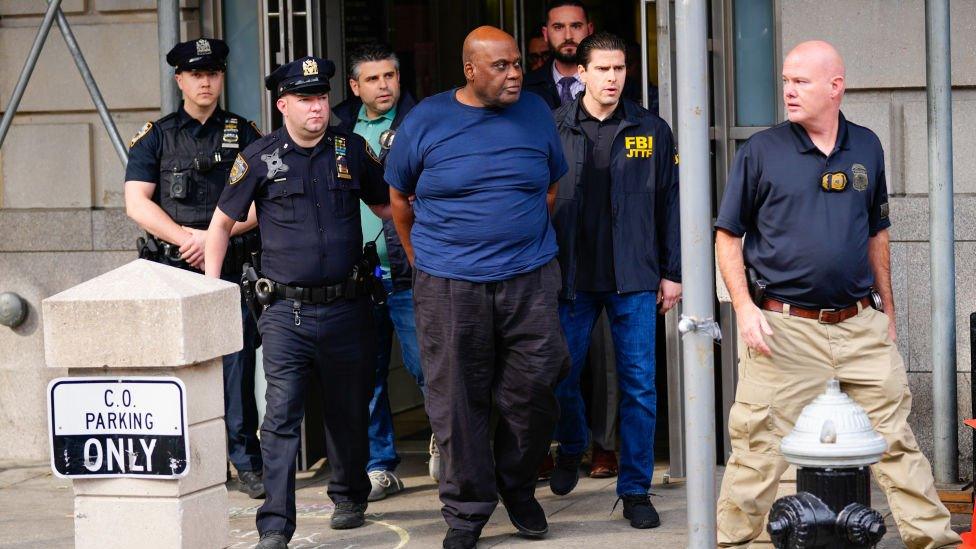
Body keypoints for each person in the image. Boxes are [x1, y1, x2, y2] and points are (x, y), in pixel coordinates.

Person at [714, 40, 960, 549]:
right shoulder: (761, 151)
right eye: (785, 80)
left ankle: (933, 540)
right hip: (782, 327)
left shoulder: (867, 146)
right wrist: (742, 308)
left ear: (835, 86)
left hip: (859, 324)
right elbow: (727, 235)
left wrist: (887, 311)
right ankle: (734, 541)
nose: (788, 91)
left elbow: (877, 232)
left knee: (896, 439)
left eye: (800, 81)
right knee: (757, 446)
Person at [385, 26, 571, 549]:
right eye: (501, 66)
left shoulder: (535, 112)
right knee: (456, 401)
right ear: (470, 69)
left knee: (536, 387)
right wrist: (428, 262)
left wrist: (519, 236)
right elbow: (400, 201)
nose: (515, 74)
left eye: (516, 63)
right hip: (449, 285)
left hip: (530, 279)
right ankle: (466, 511)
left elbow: (550, 187)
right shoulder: (425, 120)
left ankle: (517, 485)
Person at [203, 56, 391, 549]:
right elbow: (222, 223)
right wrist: (211, 290)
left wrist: (416, 260)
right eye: (305, 98)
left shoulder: (351, 147)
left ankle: (349, 495)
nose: (317, 107)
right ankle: (274, 526)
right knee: (282, 416)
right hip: (287, 311)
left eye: (321, 96)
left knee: (348, 409)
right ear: (283, 103)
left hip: (349, 305)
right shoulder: (259, 157)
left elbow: (388, 208)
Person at [548, 32, 681, 530]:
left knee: (640, 387)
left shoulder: (651, 127)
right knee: (559, 376)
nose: (612, 78)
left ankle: (635, 489)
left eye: (619, 69)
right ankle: (574, 442)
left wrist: (673, 273)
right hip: (571, 278)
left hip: (636, 277)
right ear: (580, 73)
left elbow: (671, 202)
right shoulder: (555, 126)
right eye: (602, 69)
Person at [123, 37, 265, 499]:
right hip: (173, 268)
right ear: (180, 79)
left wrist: (216, 238)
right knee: (179, 368)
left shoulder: (245, 133)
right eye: (196, 74)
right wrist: (188, 240)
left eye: (213, 73)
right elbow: (136, 203)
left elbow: (267, 200)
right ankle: (193, 461)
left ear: (222, 78)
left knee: (237, 369)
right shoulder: (157, 136)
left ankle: (246, 463)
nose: (206, 81)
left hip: (230, 269)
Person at [332, 42, 433, 500]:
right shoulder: (334, 126)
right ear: (355, 87)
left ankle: (446, 442)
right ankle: (379, 466)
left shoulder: (424, 120)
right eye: (372, 79)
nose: (383, 85)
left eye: (389, 76)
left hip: (411, 269)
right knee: (366, 376)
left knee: (428, 366)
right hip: (356, 274)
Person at [524, 0, 593, 109]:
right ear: (545, 34)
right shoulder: (525, 87)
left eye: (576, 26)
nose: (568, 36)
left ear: (590, 30)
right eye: (558, 27)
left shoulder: (618, 84)